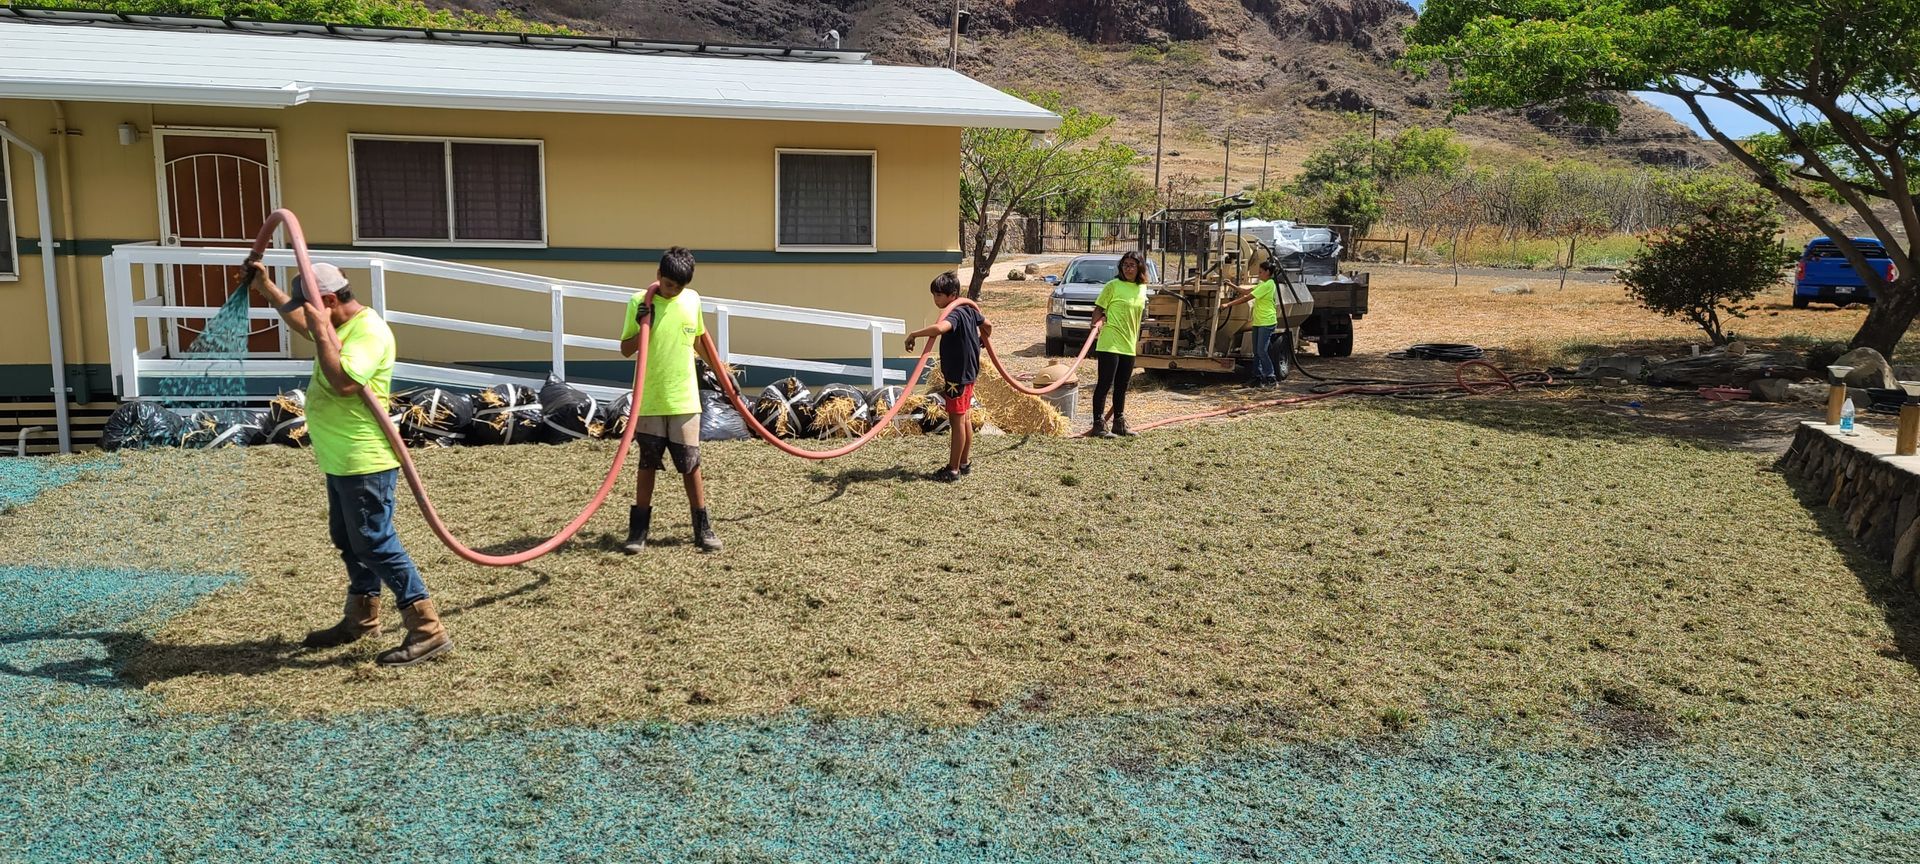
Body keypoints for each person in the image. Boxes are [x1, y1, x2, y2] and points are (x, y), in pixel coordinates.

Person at [243, 259, 450, 666]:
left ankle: (427, 629)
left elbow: (345, 383)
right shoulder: (336, 325)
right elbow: (306, 323)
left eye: (312, 306)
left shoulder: (370, 332)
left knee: (374, 541)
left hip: (364, 459)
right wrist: (268, 289)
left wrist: (320, 328)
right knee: (347, 539)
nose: (308, 315)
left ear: (329, 300)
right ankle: (361, 617)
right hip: (339, 459)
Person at [619, 247, 730, 554]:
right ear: (658, 277)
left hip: (684, 399)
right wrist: (646, 322)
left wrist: (722, 372)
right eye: (668, 285)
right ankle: (638, 531)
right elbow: (626, 349)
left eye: (679, 287)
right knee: (647, 464)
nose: (673, 291)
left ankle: (703, 528)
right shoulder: (638, 302)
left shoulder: (692, 300)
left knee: (690, 464)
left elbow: (699, 340)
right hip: (650, 398)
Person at [904, 271, 990, 482]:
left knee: (957, 420)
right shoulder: (969, 310)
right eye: (934, 295)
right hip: (968, 372)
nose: (935, 300)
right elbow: (988, 325)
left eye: (939, 296)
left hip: (957, 377)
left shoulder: (956, 313)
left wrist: (914, 334)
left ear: (952, 295)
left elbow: (941, 328)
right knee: (965, 416)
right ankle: (963, 463)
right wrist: (979, 341)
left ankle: (953, 470)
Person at [1088, 250, 1150, 437]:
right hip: (1110, 341)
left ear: (1139, 267)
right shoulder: (1112, 286)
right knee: (1105, 383)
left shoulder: (1142, 288)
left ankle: (1119, 423)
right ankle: (1099, 424)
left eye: (1132, 265)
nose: (1128, 268)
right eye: (1125, 265)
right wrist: (1094, 327)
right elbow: (1099, 309)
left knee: (1122, 385)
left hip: (1129, 342)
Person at [1221, 258, 1281, 387]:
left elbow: (1247, 298)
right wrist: (1231, 285)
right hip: (1259, 322)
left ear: (1267, 272)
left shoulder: (1268, 285)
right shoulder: (1262, 283)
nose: (1259, 274)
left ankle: (1271, 378)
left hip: (1267, 322)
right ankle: (1257, 377)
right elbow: (1246, 291)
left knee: (1262, 351)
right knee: (1257, 352)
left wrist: (1227, 304)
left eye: (1260, 272)